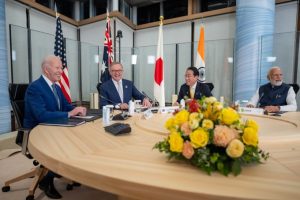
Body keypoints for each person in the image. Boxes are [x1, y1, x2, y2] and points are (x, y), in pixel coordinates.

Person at [24, 55, 87, 199]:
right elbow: (41, 115)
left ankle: (61, 169)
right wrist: (69, 114)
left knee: (79, 138)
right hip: (36, 132)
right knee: (65, 145)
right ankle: (46, 180)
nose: (61, 71)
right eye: (57, 68)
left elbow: (65, 106)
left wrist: (77, 109)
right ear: (46, 70)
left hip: (54, 127)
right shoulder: (35, 88)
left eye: (61, 67)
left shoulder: (56, 87)